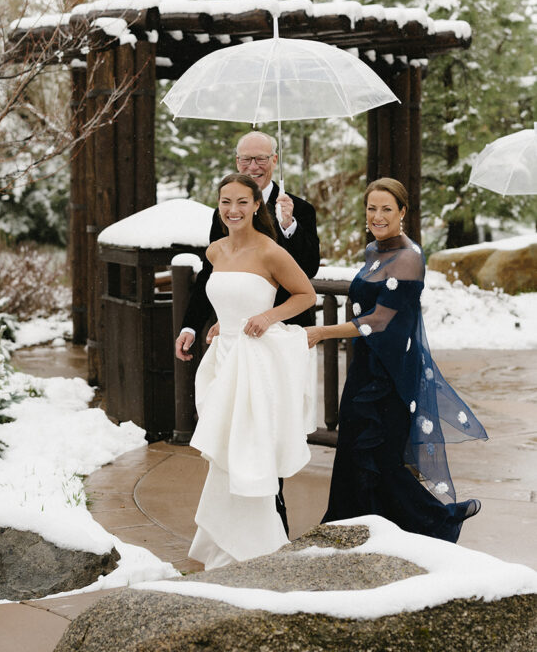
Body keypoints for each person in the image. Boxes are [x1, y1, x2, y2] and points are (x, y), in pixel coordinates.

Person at [305, 178, 487, 543]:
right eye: (371, 208)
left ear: (403, 212)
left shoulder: (408, 257)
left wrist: (322, 332)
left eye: (387, 209)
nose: (377, 216)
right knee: (358, 451)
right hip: (367, 365)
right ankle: (352, 526)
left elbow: (378, 320)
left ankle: (435, 521)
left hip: (393, 372)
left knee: (382, 457)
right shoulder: (375, 250)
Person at [188, 172, 318, 569]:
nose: (233, 210)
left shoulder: (270, 251)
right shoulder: (215, 251)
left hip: (254, 361)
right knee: (225, 454)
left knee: (248, 451)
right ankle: (223, 544)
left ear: (257, 205)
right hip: (223, 358)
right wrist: (220, 322)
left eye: (242, 202)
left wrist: (267, 316)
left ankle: (258, 547)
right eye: (226, 202)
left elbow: (305, 295)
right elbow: (228, 297)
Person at [175, 130, 320, 362]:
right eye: (246, 159)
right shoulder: (224, 215)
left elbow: (309, 269)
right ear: (237, 161)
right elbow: (211, 273)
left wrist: (289, 226)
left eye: (261, 158)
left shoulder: (300, 210)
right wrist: (190, 326)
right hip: (235, 338)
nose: (253, 166)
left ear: (274, 160)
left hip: (284, 334)